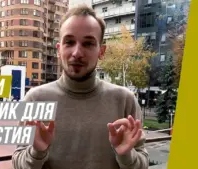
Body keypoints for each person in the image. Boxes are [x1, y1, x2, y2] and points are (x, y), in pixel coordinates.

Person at [12, 5, 148, 169]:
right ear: (59, 50)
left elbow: (143, 163)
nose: (77, 52)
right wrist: (36, 153)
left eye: (88, 43)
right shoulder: (34, 99)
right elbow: (18, 162)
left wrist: (127, 156)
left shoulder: (125, 100)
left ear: (101, 51)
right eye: (69, 42)